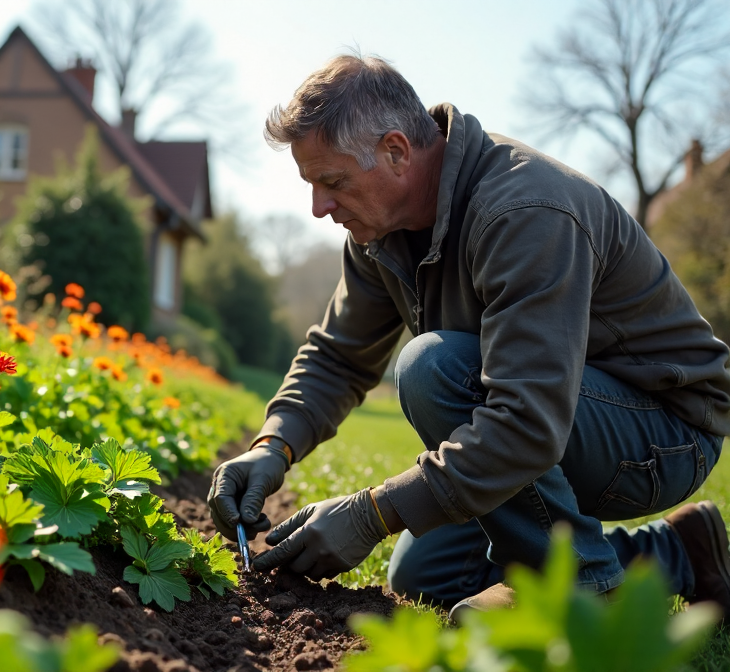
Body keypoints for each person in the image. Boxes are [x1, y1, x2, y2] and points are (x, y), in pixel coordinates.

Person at [207, 53, 730, 622]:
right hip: (557, 420)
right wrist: (272, 447)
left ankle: (576, 584)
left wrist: (371, 514)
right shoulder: (379, 234)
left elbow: (526, 424)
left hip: (664, 430)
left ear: (396, 151)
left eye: (332, 182)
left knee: (433, 367)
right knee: (425, 575)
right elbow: (338, 356)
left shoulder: (524, 210)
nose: (318, 208)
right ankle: (678, 550)